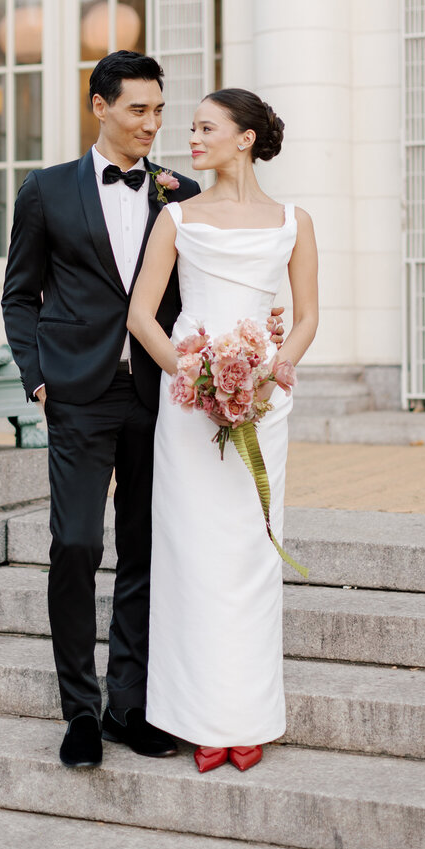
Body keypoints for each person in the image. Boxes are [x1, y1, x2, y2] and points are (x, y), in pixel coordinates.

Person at [1, 53, 283, 769]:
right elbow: (19, 294)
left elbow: (202, 295)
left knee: (146, 549)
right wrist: (37, 380)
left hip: (164, 400)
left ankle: (129, 705)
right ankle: (80, 711)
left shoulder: (182, 194)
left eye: (160, 110)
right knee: (75, 544)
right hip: (76, 394)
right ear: (99, 106)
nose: (153, 125)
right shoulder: (46, 191)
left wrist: (251, 338)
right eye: (138, 111)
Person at [127, 88, 319, 773]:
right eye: (192, 127)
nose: (191, 138)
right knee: (192, 559)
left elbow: (304, 317)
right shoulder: (177, 218)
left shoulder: (294, 220)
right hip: (189, 404)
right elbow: (142, 317)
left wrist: (271, 373)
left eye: (206, 128)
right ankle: (201, 719)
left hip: (264, 404)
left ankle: (249, 718)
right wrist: (195, 372)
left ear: (245, 138)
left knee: (249, 560)